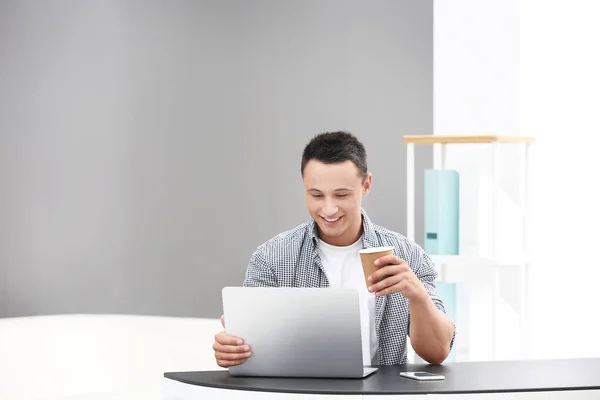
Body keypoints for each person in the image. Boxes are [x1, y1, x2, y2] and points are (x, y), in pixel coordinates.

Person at [212, 131, 455, 367]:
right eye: (316, 195)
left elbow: (437, 353)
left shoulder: (407, 255)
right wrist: (232, 350)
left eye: (341, 195)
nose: (329, 209)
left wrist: (417, 295)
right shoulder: (271, 258)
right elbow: (250, 347)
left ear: (366, 185)